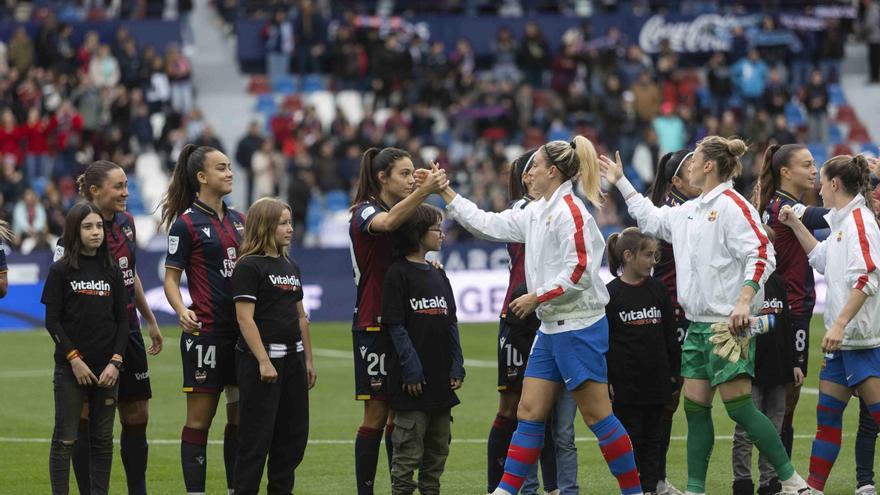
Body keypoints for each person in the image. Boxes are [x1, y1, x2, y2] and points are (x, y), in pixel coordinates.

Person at [600, 135, 810, 495]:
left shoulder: (733, 205)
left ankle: (791, 481)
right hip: (697, 327)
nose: (691, 165)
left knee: (740, 409)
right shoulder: (689, 210)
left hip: (727, 326)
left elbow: (762, 254)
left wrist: (744, 300)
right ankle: (696, 490)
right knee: (695, 411)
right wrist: (620, 180)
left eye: (695, 159)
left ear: (709, 165)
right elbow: (650, 218)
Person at [438, 136, 642, 495]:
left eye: (533, 166)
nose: (526, 172)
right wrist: (448, 195)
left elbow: (579, 271)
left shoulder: (571, 212)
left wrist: (536, 296)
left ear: (552, 171)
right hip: (551, 327)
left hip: (579, 326)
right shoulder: (534, 211)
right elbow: (486, 223)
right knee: (528, 411)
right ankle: (506, 490)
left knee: (597, 417)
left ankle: (634, 491)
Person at [57, 161, 163, 495]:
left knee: (137, 415)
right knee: (87, 420)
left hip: (127, 332)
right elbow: (59, 292)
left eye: (127, 185)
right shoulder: (75, 232)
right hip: (90, 339)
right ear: (94, 191)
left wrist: (150, 319)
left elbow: (129, 276)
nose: (125, 193)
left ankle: (138, 491)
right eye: (118, 187)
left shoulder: (128, 223)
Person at [776, 154, 880, 495]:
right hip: (842, 346)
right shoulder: (840, 220)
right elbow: (821, 258)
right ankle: (815, 489)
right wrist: (795, 225)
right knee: (827, 419)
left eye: (822, 181)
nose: (818, 188)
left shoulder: (861, 223)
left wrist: (838, 325)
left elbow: (867, 279)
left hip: (863, 343)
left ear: (834, 184)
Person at [348, 147, 446, 494]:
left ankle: (398, 488)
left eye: (412, 173)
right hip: (374, 323)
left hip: (403, 323)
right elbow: (386, 225)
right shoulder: (365, 211)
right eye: (403, 173)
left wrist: (426, 263)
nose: (409, 179)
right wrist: (423, 190)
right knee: (376, 414)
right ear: (381, 177)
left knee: (398, 412)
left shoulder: (403, 212)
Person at [161, 144, 246, 495]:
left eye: (229, 167)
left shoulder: (241, 220)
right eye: (221, 168)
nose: (229, 173)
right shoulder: (185, 224)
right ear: (201, 177)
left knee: (239, 419)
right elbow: (170, 279)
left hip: (243, 335)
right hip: (206, 334)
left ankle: (233, 489)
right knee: (200, 420)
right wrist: (182, 311)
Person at [42, 201, 129, 495]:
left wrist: (115, 362)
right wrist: (74, 359)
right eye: (88, 226)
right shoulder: (60, 270)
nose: (96, 232)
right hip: (70, 370)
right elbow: (52, 322)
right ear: (74, 231)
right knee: (65, 439)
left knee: (103, 440)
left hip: (107, 371)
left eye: (99, 226)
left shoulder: (112, 270)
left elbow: (123, 320)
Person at [487, 149, 560, 495]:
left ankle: (553, 486)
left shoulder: (554, 208)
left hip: (547, 310)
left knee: (549, 408)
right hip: (517, 314)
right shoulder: (521, 210)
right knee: (513, 406)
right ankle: (496, 483)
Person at [232, 198, 316, 494]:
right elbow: (245, 319)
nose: (290, 229)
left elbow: (300, 316)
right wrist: (263, 360)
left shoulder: (290, 264)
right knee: (255, 442)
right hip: (262, 365)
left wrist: (308, 360)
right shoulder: (248, 266)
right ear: (265, 225)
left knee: (293, 440)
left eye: (290, 222)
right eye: (283, 223)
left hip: (293, 362)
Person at [382, 204, 465, 494]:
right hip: (412, 386)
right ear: (418, 233)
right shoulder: (397, 274)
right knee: (406, 458)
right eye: (436, 229)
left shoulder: (439, 275)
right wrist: (411, 369)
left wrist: (457, 363)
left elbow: (451, 322)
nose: (442, 234)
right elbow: (396, 327)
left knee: (437, 455)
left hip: (441, 383)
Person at [752, 144, 823, 457]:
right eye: (807, 165)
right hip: (792, 309)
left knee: (781, 397)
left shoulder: (776, 203)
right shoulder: (787, 208)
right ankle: (780, 477)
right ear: (785, 172)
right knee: (787, 398)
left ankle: (778, 477)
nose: (814, 170)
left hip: (782, 307)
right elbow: (835, 216)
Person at [605, 227, 681, 495]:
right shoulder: (610, 294)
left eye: (654, 256)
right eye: (648, 255)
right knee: (630, 442)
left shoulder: (658, 289)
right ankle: (633, 489)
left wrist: (674, 374)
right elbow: (606, 344)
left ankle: (649, 488)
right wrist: (608, 380)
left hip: (657, 381)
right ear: (628, 256)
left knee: (654, 442)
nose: (652, 261)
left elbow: (670, 335)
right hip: (627, 386)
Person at [648, 149, 700, 495]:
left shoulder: (685, 207)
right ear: (677, 181)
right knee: (666, 403)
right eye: (694, 166)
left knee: (673, 402)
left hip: (681, 313)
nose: (702, 169)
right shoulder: (676, 213)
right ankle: (653, 479)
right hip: (673, 316)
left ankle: (655, 479)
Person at [730, 269, 794, 495]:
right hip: (750, 369)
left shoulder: (778, 281)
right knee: (746, 430)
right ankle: (742, 482)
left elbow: (786, 323)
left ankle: (769, 482)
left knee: (774, 429)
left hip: (777, 368)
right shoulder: (741, 284)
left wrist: (793, 363)